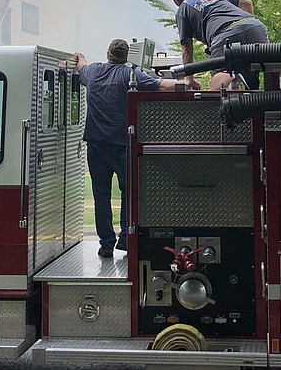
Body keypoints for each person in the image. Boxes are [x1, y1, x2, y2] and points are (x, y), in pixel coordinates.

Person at [74, 39, 194, 258]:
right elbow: (162, 86)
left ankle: (106, 244)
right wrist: (187, 85)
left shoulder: (92, 72)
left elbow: (81, 64)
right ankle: (125, 239)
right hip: (122, 146)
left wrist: (80, 56)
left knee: (101, 195)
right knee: (128, 193)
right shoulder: (131, 75)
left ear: (108, 53)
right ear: (126, 57)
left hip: (96, 145)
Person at [165, 0, 269, 91]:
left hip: (226, 33)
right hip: (255, 26)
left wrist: (189, 79)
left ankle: (217, 101)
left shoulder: (183, 10)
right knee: (259, 66)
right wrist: (245, 30)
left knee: (220, 72)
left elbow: (187, 47)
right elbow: (247, 3)